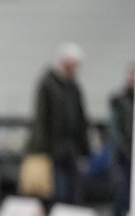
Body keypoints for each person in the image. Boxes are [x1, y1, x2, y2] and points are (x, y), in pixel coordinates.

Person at [26, 42, 91, 205]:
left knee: (73, 193)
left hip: (71, 149)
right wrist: (40, 149)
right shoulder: (47, 84)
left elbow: (80, 119)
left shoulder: (74, 87)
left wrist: (85, 149)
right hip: (52, 149)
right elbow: (41, 118)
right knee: (57, 193)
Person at [108, 62, 135, 216]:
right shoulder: (119, 99)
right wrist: (124, 147)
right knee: (123, 187)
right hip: (123, 153)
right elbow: (114, 128)